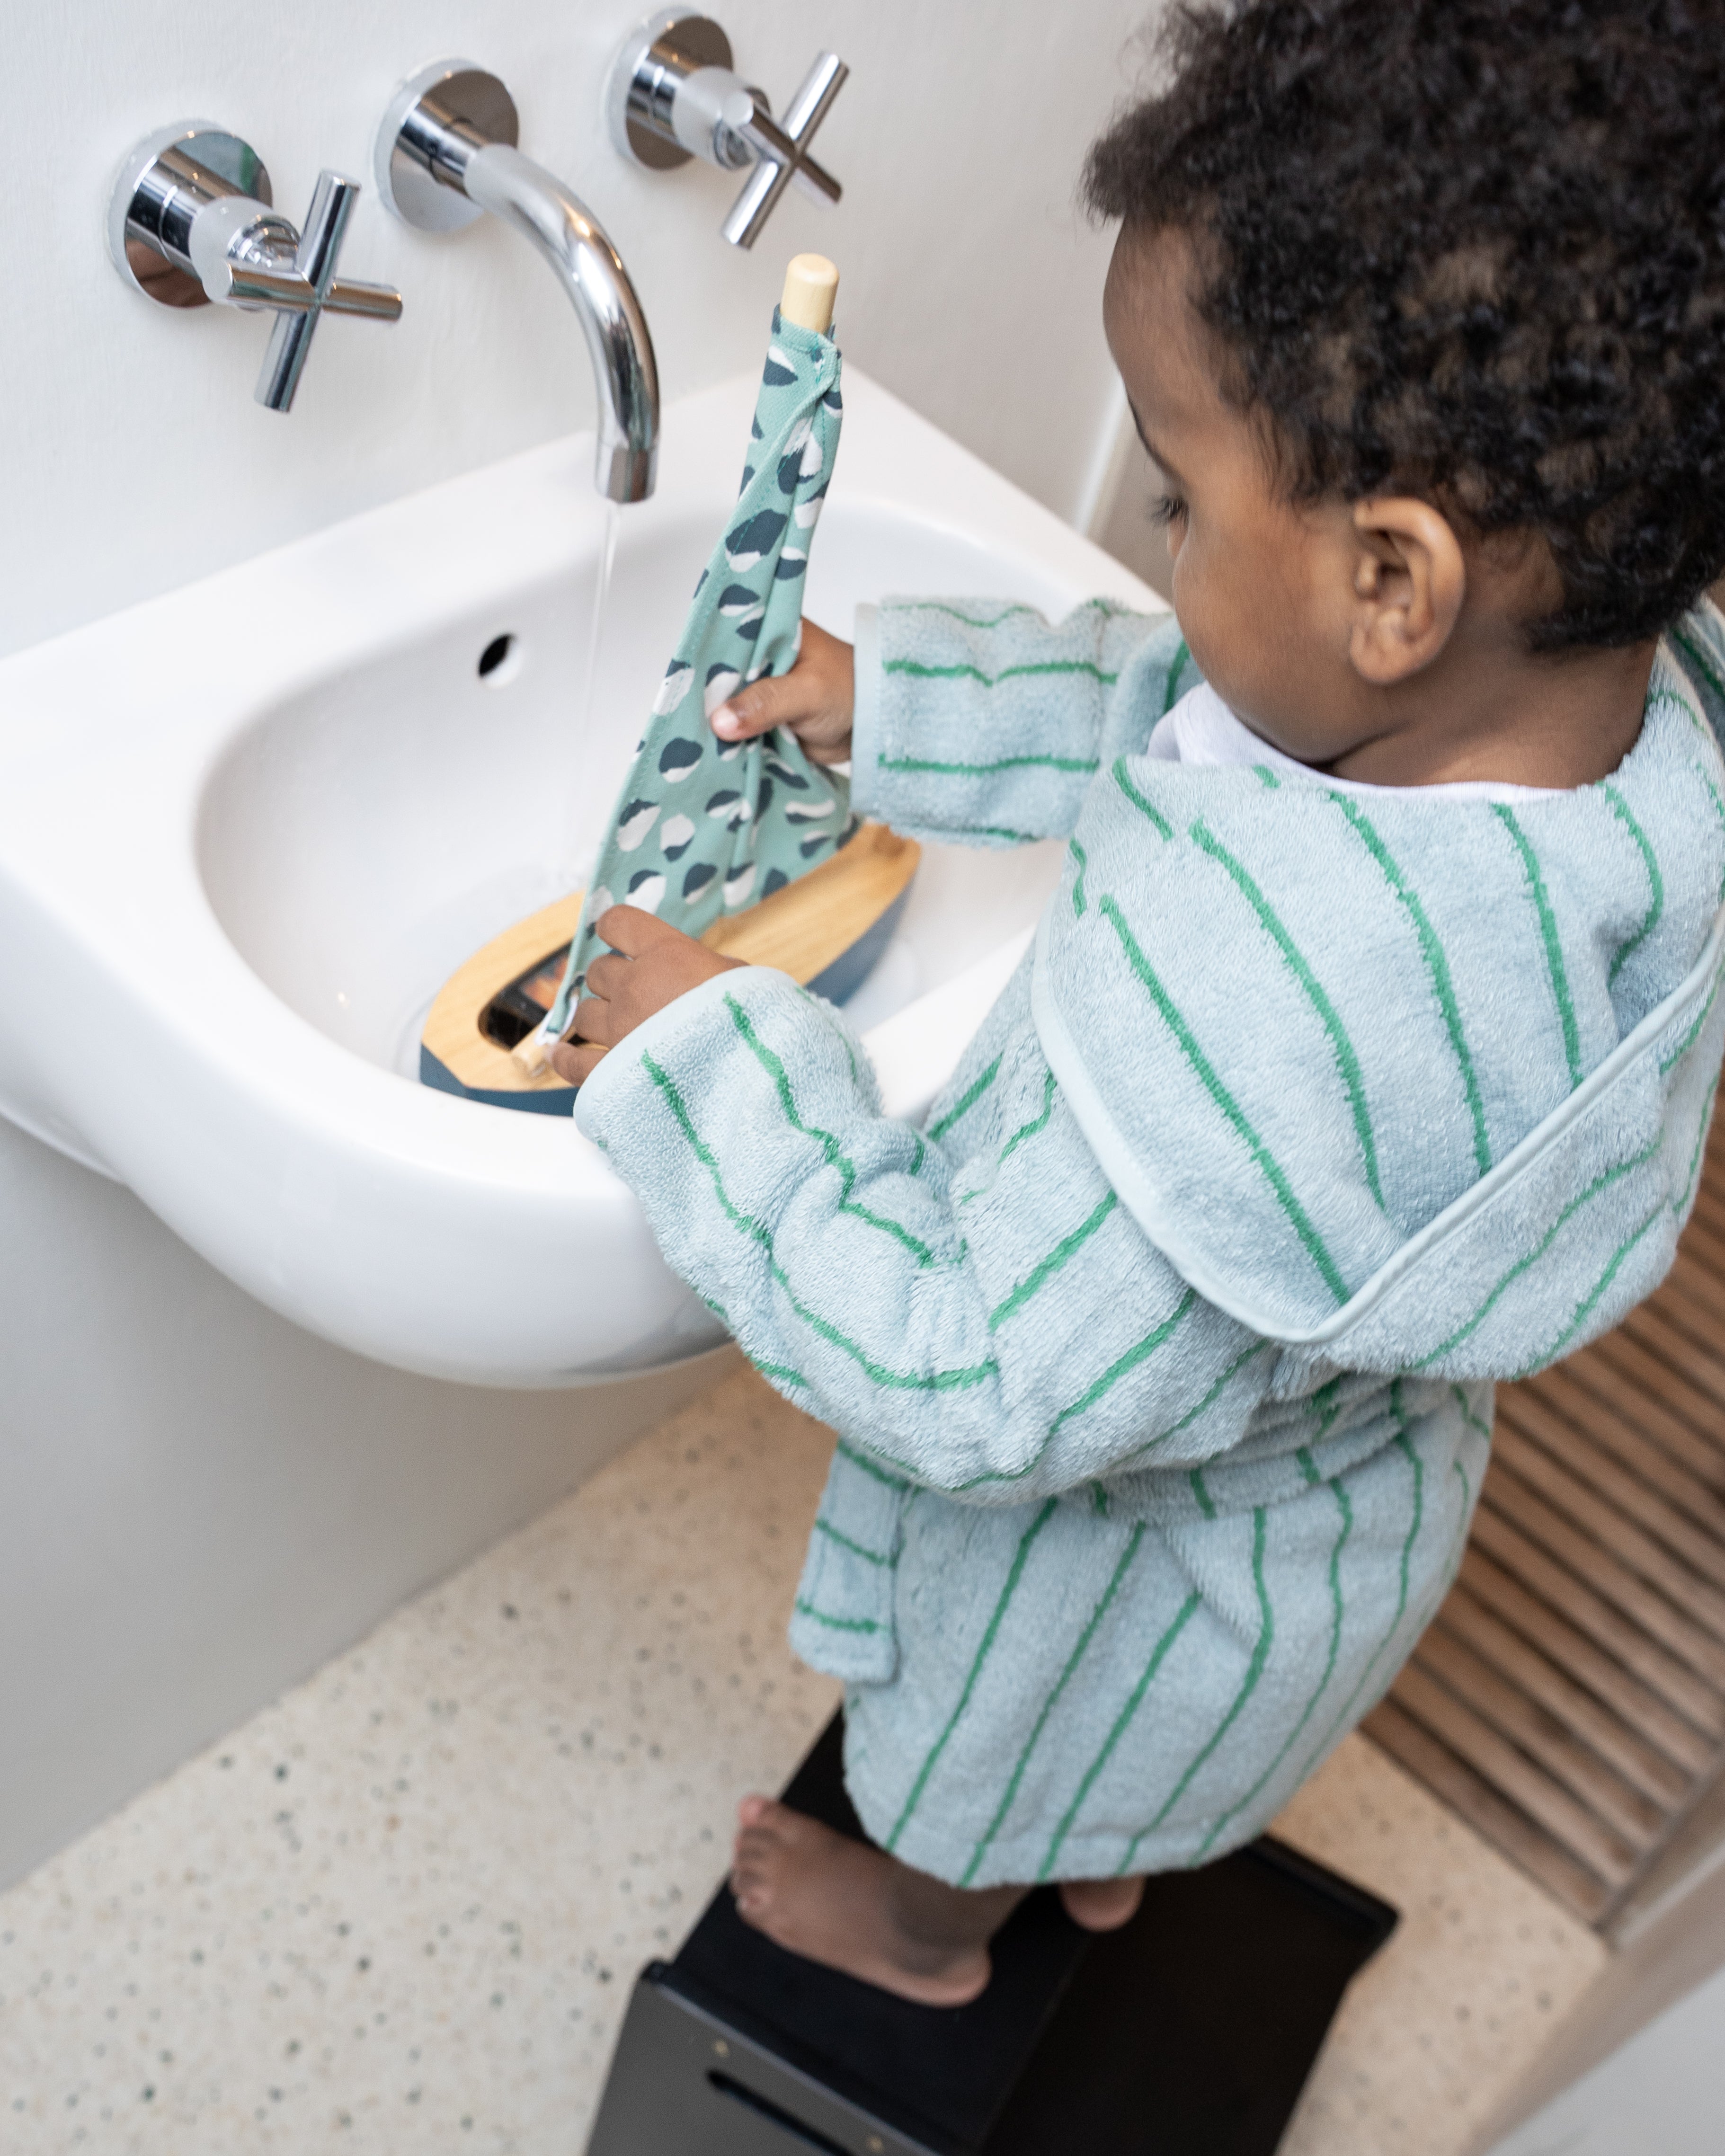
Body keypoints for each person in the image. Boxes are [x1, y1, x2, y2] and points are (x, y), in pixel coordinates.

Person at [552, 0, 1725, 2005]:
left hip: (1107, 1556)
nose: (1151, 543)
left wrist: (708, 1055)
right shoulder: (1612, 730)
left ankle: (927, 1940)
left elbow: (959, 1375)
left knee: (979, 1778)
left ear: (1392, 585)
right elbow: (1187, 726)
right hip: (1330, 1519)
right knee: (1153, 1771)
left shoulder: (1274, 1051)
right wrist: (899, 702)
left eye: (1178, 502)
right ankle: (1109, 1855)